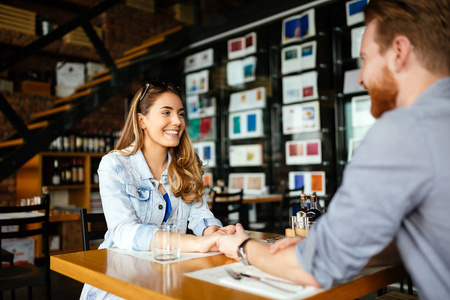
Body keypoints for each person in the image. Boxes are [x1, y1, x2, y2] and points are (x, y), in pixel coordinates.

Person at [217, 1, 450, 299]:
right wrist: (318, 246)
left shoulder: (406, 128)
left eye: (366, 59)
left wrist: (242, 246)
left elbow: (314, 270)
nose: (362, 77)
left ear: (399, 52)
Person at [80, 80, 235, 300]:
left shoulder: (188, 165)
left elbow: (201, 216)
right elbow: (123, 231)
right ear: (142, 121)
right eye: (166, 112)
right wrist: (197, 244)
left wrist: (215, 234)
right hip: (121, 281)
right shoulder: (114, 164)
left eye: (180, 114)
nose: (177, 121)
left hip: (172, 275)